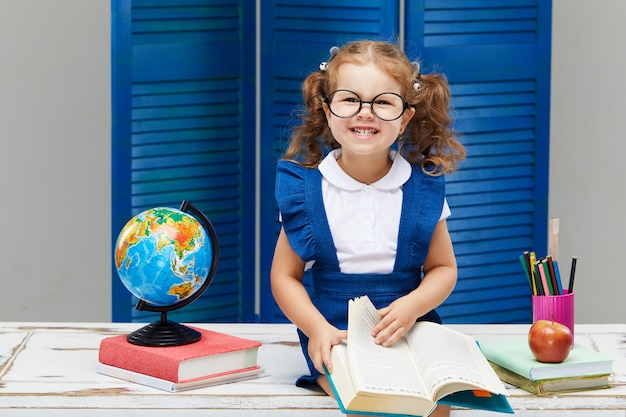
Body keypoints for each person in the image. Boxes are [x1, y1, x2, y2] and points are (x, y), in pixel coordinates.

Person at [270, 40, 466, 417]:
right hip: (336, 333)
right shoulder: (306, 191)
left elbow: (443, 269)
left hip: (410, 329)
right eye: (349, 100)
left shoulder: (422, 188)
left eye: (383, 102)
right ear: (326, 109)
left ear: (404, 117)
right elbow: (284, 276)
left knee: (437, 407)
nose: (366, 113)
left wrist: (413, 306)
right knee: (368, 404)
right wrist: (316, 329)